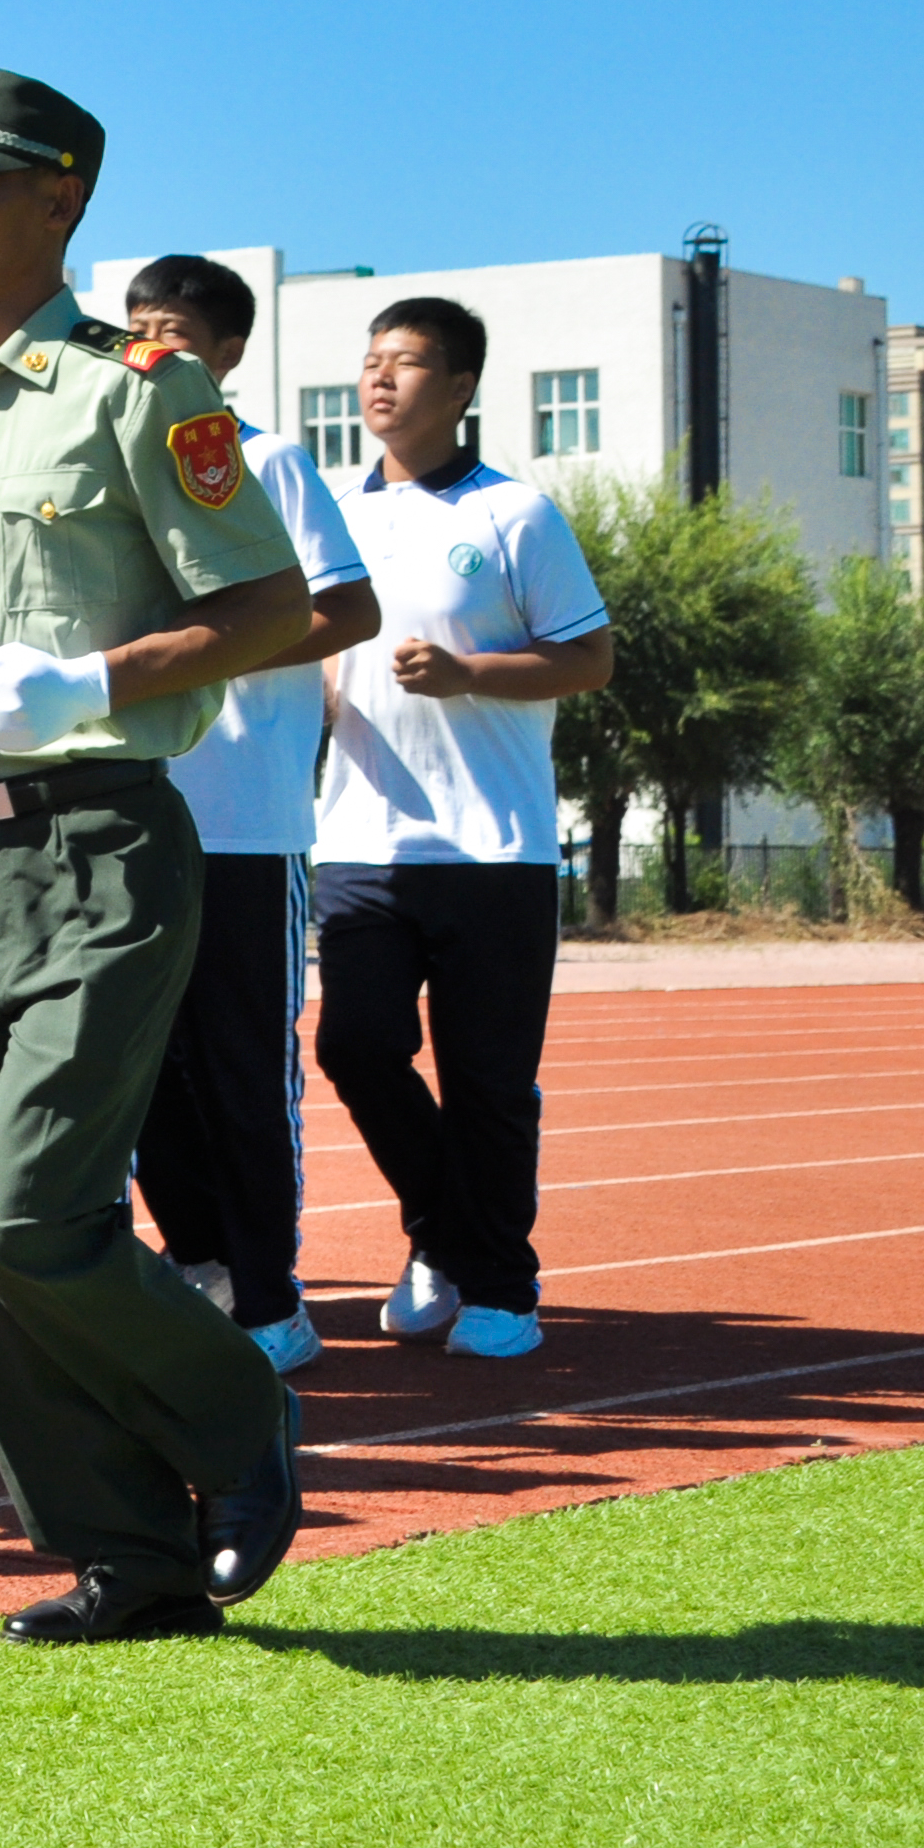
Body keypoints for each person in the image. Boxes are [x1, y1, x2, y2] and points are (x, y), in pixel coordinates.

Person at [0, 67, 316, 1645]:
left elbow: (274, 607)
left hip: (108, 845)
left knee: (26, 1215)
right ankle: (132, 1557)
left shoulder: (140, 390)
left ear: (60, 201)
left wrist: (101, 679)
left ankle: (239, 1412)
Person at [308, 294, 613, 1365]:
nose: (378, 380)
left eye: (406, 362)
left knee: (486, 1078)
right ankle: (445, 1229)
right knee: (351, 1045)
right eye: (370, 360)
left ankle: (499, 1285)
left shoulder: (513, 516)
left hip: (495, 848)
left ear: (461, 387)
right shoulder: (327, 514)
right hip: (357, 841)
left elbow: (588, 658)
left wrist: (469, 673)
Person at [116, 256, 381, 1372]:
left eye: (170, 332)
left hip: (242, 821)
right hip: (132, 812)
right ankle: (197, 1262)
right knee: (138, 1067)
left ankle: (272, 1296)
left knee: (236, 1062)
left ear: (225, 352)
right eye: (131, 329)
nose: (146, 350)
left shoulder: (264, 459)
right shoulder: (114, 462)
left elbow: (347, 605)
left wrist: (218, 650)